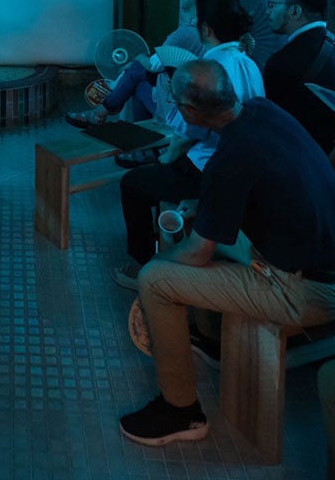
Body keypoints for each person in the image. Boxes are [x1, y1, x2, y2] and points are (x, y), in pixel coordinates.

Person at [119, 58, 335, 448]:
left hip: (303, 290)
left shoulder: (228, 160)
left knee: (155, 280)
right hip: (320, 257)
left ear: (190, 112)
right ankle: (207, 335)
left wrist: (158, 262)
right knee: (199, 224)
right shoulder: (264, 112)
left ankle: (181, 412)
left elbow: (197, 255)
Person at [113, 0, 263, 289]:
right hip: (244, 163)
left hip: (207, 168)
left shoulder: (209, 69)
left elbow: (187, 133)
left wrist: (166, 159)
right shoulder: (248, 63)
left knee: (132, 184)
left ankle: (143, 266)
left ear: (205, 29)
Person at [70, 0, 220, 131]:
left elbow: (153, 65)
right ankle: (128, 129)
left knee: (137, 69)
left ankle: (103, 114)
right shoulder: (213, 29)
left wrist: (138, 58)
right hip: (197, 104)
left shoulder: (186, 33)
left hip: (179, 110)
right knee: (138, 83)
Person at [264, 0, 335, 155]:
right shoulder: (331, 43)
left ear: (295, 11)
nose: (268, 11)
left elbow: (275, 129)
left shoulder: (281, 64)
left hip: (305, 159)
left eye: (273, 3)